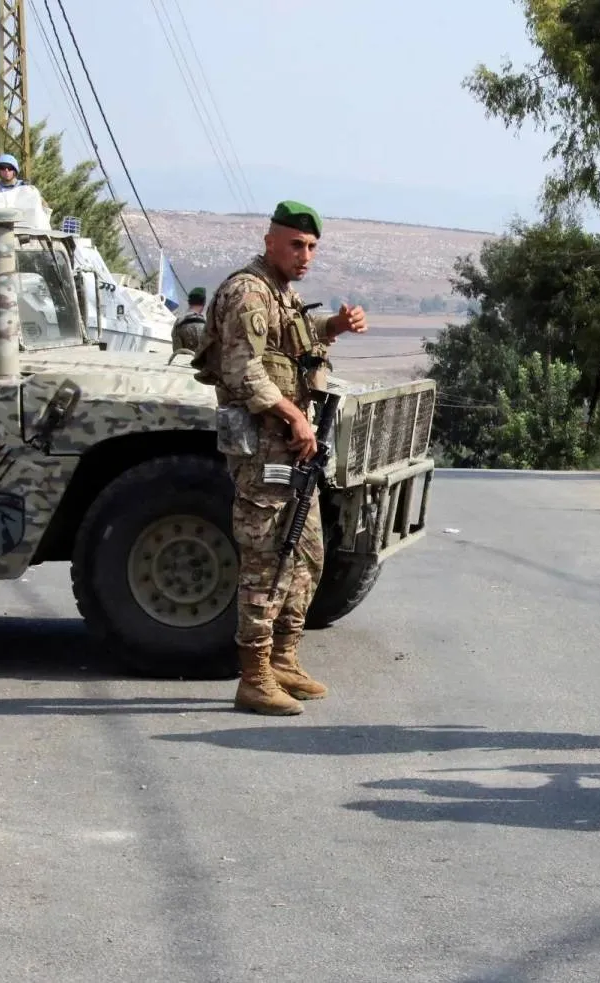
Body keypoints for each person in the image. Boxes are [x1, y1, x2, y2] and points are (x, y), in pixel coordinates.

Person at [196, 200, 367, 715]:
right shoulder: (248, 292)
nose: (305, 255)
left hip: (294, 451)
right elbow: (244, 372)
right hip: (264, 447)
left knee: (307, 553)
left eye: (312, 247)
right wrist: (295, 416)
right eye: (296, 244)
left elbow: (292, 350)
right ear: (270, 240)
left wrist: (333, 328)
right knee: (266, 560)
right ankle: (253, 676)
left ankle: (284, 659)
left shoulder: (282, 295)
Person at [172, 287, 208, 352]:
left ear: (189, 302)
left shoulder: (178, 323)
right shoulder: (206, 325)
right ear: (204, 303)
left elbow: (176, 351)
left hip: (182, 361)